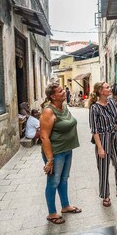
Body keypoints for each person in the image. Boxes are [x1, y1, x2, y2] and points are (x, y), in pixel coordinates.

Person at [39, 82, 82, 224]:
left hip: (67, 149)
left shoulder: (63, 106)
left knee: (64, 179)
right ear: (52, 96)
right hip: (55, 153)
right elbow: (44, 136)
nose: (64, 92)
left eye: (63, 89)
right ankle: (52, 213)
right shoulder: (48, 111)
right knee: (53, 182)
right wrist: (49, 160)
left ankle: (65, 206)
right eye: (60, 91)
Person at [89, 82, 117, 207]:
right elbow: (94, 130)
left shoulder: (111, 102)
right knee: (104, 169)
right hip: (102, 139)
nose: (110, 88)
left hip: (114, 138)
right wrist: (100, 148)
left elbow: (116, 120)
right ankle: (105, 196)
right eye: (107, 87)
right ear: (100, 91)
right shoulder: (94, 108)